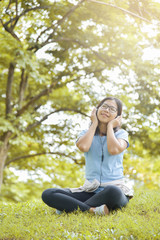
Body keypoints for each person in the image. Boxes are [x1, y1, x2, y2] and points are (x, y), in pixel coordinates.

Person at [42, 97, 133, 215]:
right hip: (90, 190)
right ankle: (91, 210)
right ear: (97, 109)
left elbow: (114, 149)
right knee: (48, 193)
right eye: (104, 106)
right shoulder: (86, 133)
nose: (106, 110)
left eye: (112, 109)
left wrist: (110, 126)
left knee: (113, 191)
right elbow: (83, 147)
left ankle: (70, 208)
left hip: (113, 191)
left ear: (118, 116)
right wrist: (94, 123)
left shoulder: (121, 134)